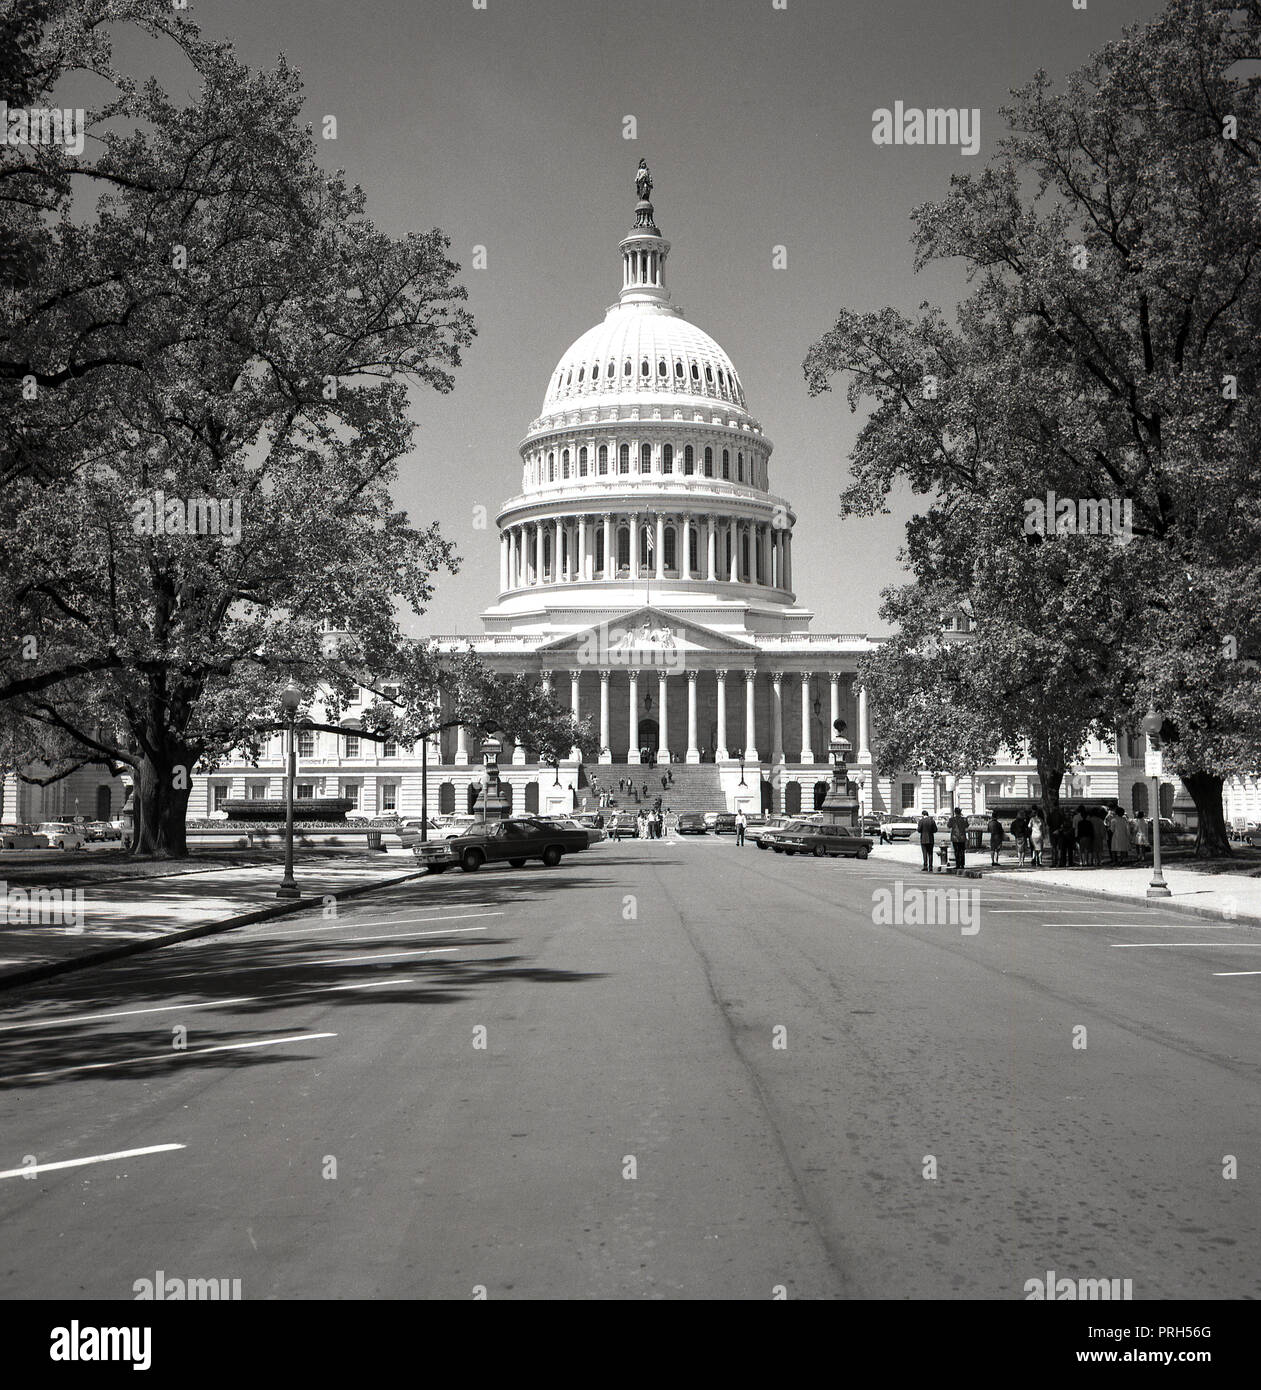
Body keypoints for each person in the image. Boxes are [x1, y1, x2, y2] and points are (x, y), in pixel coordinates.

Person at [948, 806, 968, 871]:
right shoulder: (964, 819)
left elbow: (948, 826)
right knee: (962, 851)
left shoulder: (952, 819)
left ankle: (957, 864)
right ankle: (962, 864)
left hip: (955, 837)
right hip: (962, 837)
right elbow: (967, 825)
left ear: (955, 812)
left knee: (956, 851)